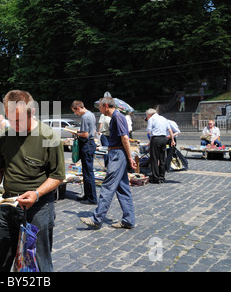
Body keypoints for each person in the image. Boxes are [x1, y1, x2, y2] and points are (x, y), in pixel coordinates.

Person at [0, 90, 65, 272]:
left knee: (38, 264)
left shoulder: (49, 136)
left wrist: (36, 193)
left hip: (39, 208)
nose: (13, 124)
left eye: (18, 120)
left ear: (32, 112)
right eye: (10, 119)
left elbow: (57, 176)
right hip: (8, 205)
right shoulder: (5, 136)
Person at [80, 97, 136, 229]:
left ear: (106, 105)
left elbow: (125, 138)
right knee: (122, 188)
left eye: (100, 107)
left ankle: (97, 219)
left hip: (118, 154)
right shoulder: (116, 117)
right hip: (116, 153)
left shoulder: (117, 117)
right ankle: (128, 220)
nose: (99, 110)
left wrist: (129, 158)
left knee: (107, 186)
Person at [71, 100, 97, 205]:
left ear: (78, 108)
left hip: (87, 144)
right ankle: (88, 195)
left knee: (88, 173)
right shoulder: (91, 114)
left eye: (75, 112)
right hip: (90, 144)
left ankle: (91, 198)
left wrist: (75, 132)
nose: (75, 114)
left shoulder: (85, 117)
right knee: (87, 172)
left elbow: (85, 134)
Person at [146, 108, 175, 184]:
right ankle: (162, 177)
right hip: (163, 139)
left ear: (149, 114)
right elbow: (170, 130)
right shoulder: (164, 118)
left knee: (154, 159)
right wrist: (172, 140)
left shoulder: (151, 119)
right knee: (162, 158)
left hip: (156, 139)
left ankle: (155, 177)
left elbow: (149, 131)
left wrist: (151, 135)